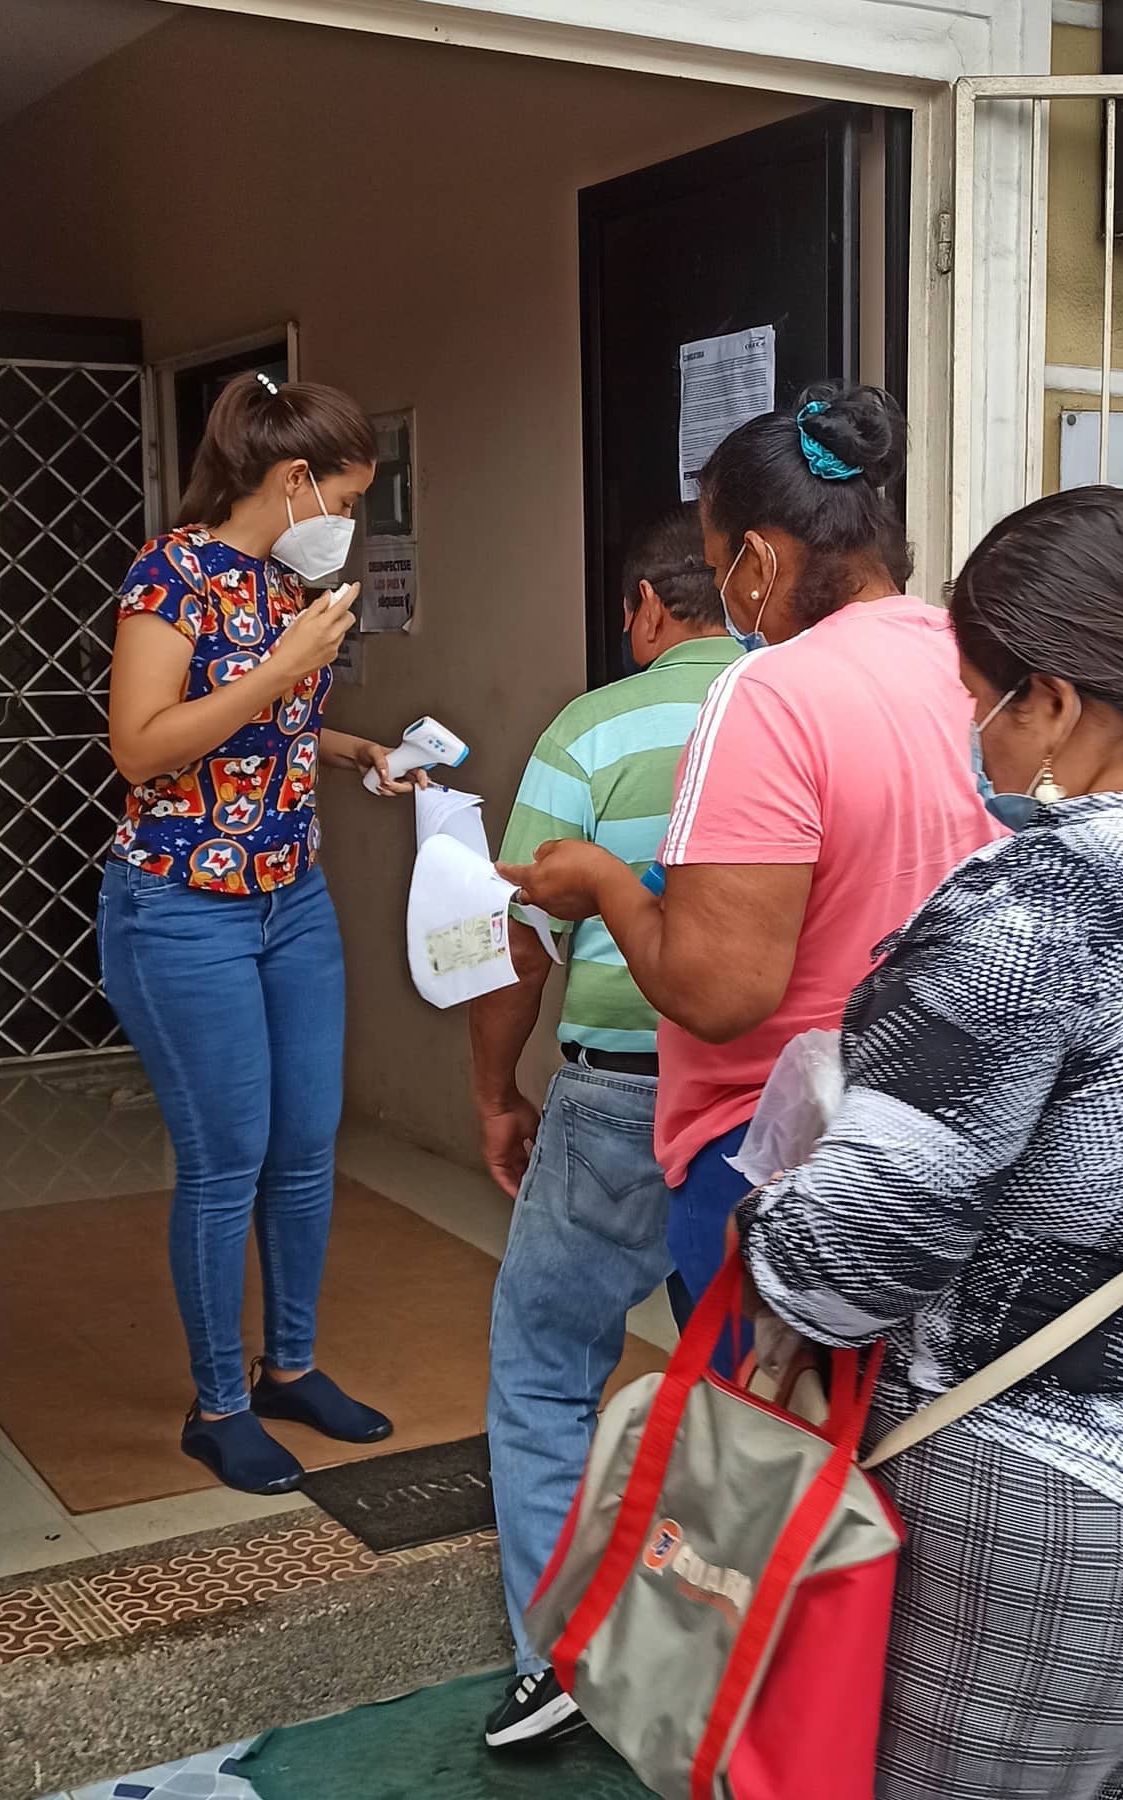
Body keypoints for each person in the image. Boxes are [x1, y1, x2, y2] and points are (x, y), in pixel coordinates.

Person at [738, 486, 1123, 1797]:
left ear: (1054, 702)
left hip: (1057, 1531)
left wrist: (769, 1213)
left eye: (982, 698)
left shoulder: (1049, 896)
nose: (977, 732)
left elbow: (847, 1268)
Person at [501, 382, 1000, 1307]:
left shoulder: (769, 692)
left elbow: (719, 992)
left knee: (760, 1403)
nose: (726, 594)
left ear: (759, 559)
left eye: (718, 562)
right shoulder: (961, 657)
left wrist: (606, 885)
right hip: (931, 1131)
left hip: (778, 1155)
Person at [99, 372, 420, 1498]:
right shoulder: (171, 575)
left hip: (292, 902)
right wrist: (283, 669)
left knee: (304, 1148)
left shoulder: (290, 585)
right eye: (348, 498)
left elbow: (266, 726)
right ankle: (219, 1407)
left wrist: (355, 747)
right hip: (182, 906)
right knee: (226, 1158)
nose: (351, 522)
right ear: (293, 482)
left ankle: (289, 1368)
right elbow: (142, 745)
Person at [475, 506, 739, 1749]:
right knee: (738, 1383)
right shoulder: (792, 709)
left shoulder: (589, 731)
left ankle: (563, 1659)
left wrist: (497, 1092)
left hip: (620, 1095)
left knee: (545, 1363)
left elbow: (519, 947)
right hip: (765, 1101)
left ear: (645, 607)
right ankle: (732, 1644)